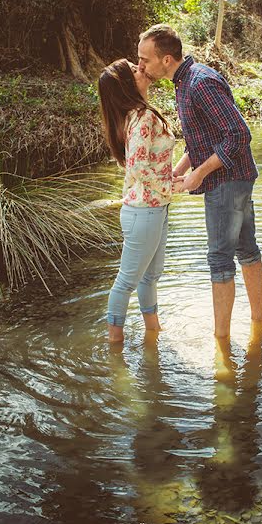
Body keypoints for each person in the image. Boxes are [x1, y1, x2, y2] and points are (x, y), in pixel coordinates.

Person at [137, 24, 262, 339]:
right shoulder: (184, 83)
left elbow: (239, 135)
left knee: (219, 258)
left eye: (145, 60)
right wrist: (181, 168)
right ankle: (259, 324)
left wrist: (199, 173)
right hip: (233, 178)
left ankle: (221, 343)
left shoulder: (199, 83)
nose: (140, 66)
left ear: (167, 60)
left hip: (228, 181)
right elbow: (204, 138)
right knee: (247, 249)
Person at [97, 59, 178, 345]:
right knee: (127, 281)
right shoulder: (141, 118)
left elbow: (143, 166)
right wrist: (169, 185)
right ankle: (114, 344)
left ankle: (153, 331)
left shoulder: (136, 115)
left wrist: (168, 187)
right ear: (125, 85)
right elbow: (137, 167)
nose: (140, 68)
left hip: (153, 207)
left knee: (151, 276)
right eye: (133, 69)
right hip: (144, 210)